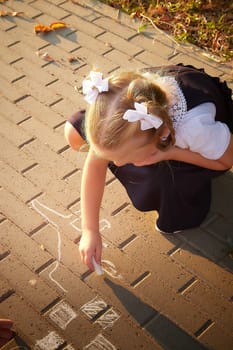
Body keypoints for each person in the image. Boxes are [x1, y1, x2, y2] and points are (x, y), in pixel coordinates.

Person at [64, 64, 233, 271]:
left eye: (123, 158)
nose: (116, 165)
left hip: (204, 130)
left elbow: (226, 161)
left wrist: (171, 153)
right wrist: (89, 229)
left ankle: (185, 187)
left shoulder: (195, 129)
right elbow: (95, 166)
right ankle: (127, 151)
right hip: (153, 116)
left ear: (161, 136)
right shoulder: (124, 111)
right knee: (73, 133)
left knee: (160, 182)